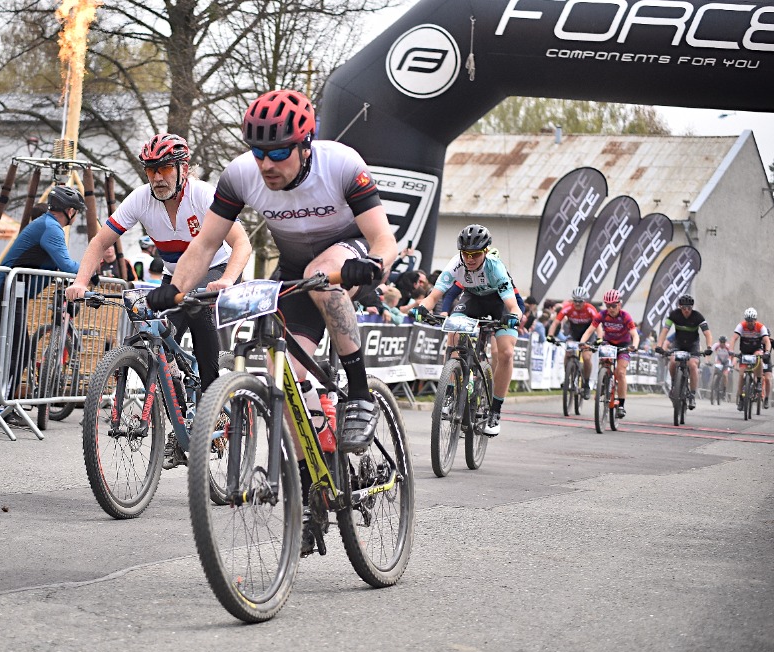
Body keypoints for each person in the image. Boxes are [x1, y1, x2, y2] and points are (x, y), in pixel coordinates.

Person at [145, 89, 396, 477]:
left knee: (320, 272)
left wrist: (375, 264)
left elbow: (383, 238)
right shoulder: (240, 175)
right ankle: (314, 475)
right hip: (294, 269)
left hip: (350, 260)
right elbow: (206, 243)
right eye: (259, 152)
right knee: (285, 377)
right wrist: (176, 288)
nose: (266, 164)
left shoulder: (342, 164)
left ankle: (360, 392)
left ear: (306, 145)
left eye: (278, 152)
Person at [66, 132, 251, 465]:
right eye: (151, 170)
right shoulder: (141, 199)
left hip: (218, 270)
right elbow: (99, 243)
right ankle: (179, 425)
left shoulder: (203, 195)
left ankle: (212, 406)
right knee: (152, 338)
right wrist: (80, 282)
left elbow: (242, 243)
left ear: (184, 169)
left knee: (198, 311)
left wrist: (226, 280)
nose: (157, 177)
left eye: (165, 168)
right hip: (175, 275)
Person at [412, 225, 524, 436]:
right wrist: (421, 308)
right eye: (466, 253)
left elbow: (513, 306)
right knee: (453, 332)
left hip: (500, 303)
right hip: (474, 299)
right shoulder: (456, 264)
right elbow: (434, 296)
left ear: (485, 251)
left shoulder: (495, 268)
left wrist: (514, 317)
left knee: (506, 353)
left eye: (475, 254)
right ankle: (450, 392)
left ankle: (495, 411)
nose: (470, 259)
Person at [0, 185, 83, 422]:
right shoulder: (51, 228)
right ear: (70, 211)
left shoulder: (46, 224)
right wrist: (89, 272)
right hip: (6, 293)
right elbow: (67, 264)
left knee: (12, 348)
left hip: (8, 292)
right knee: (17, 350)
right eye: (77, 211)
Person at [578, 289, 640, 419]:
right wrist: (582, 342)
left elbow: (635, 334)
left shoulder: (625, 316)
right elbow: (590, 330)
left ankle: (621, 405)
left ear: (619, 304)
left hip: (624, 345)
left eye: (613, 305)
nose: (611, 309)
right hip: (609, 343)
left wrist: (634, 346)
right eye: (608, 305)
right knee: (605, 362)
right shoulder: (602, 315)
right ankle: (603, 381)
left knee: (620, 372)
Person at [656, 294, 712, 409]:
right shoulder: (674, 315)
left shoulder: (698, 317)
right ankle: (674, 385)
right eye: (684, 308)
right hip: (679, 343)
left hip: (693, 344)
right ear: (680, 307)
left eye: (689, 308)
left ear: (692, 307)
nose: (686, 310)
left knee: (693, 365)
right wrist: (659, 346)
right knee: (672, 361)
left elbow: (707, 334)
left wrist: (709, 347)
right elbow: (665, 330)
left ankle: (692, 395)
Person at [548, 287, 601, 399]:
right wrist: (550, 335)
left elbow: (598, 326)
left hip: (588, 335)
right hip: (574, 334)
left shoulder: (590, 309)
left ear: (584, 301)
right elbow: (556, 322)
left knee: (586, 357)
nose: (577, 303)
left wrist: (599, 338)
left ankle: (586, 384)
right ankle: (567, 377)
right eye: (575, 301)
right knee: (568, 353)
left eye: (580, 301)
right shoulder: (568, 308)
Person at [730, 307, 771, 410]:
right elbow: (734, 338)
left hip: (756, 350)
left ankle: (759, 381)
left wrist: (767, 352)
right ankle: (741, 398)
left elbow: (767, 341)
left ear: (755, 320)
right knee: (741, 374)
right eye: (748, 321)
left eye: (751, 321)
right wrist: (731, 350)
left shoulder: (761, 327)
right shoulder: (741, 326)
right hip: (745, 351)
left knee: (759, 357)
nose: (749, 323)